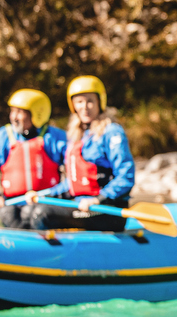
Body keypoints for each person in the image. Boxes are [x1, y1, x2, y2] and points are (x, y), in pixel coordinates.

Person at [26, 75, 138, 232]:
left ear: (100, 102)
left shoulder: (111, 132)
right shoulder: (77, 136)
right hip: (81, 206)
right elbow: (73, 183)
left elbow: (126, 175)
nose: (84, 107)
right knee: (29, 211)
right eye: (79, 101)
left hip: (107, 210)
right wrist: (44, 194)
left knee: (41, 214)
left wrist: (99, 199)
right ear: (73, 105)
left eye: (90, 101)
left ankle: (46, 253)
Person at [0, 89, 68, 229]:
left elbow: (76, 169)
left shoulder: (54, 138)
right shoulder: (4, 136)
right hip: (13, 203)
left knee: (33, 212)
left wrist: (54, 192)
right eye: (12, 111)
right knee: (7, 213)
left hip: (46, 202)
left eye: (20, 112)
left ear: (36, 114)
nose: (14, 117)